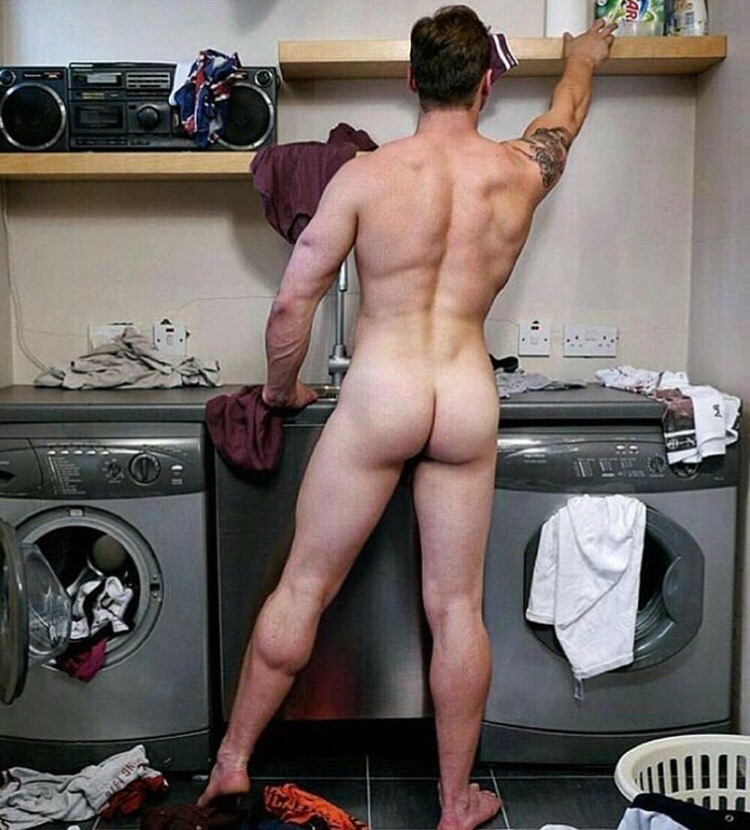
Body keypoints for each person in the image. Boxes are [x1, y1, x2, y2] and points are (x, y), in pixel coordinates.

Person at [198, 7, 616, 829]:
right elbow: (566, 114)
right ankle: (456, 802)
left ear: (411, 79)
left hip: (383, 393)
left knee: (304, 586)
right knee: (456, 609)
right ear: (487, 84)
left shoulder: (367, 175)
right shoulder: (522, 168)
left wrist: (280, 391)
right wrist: (584, 56)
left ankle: (233, 762)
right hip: (464, 395)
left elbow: (292, 304)